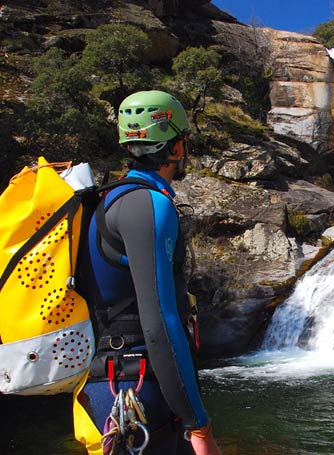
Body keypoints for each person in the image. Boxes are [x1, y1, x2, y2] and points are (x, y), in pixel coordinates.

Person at [74, 90, 221, 455]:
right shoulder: (150, 204)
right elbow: (160, 324)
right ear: (175, 149)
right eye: (182, 143)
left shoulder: (106, 200)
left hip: (108, 386)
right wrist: (198, 426)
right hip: (140, 395)